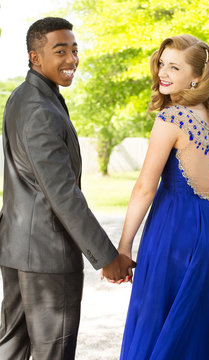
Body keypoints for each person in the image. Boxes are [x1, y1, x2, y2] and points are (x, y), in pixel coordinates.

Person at [0, 17, 135, 360]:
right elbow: (62, 194)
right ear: (35, 57)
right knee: (53, 351)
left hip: (17, 250)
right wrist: (107, 257)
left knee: (12, 348)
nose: (72, 59)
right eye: (60, 51)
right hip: (46, 255)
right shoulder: (39, 108)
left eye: (74, 50)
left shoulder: (24, 96)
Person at [111, 35, 209, 359]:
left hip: (174, 228)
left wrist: (124, 248)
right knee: (200, 322)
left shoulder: (171, 118)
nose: (162, 73)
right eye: (162, 64)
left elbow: (144, 188)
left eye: (174, 67)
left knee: (159, 318)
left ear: (196, 76)